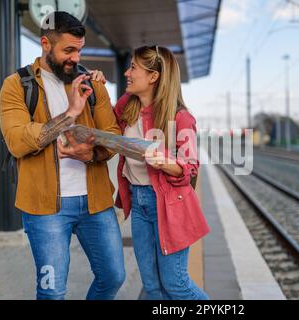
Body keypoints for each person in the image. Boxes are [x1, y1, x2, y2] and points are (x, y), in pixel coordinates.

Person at [0, 12, 125, 300]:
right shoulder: (16, 86)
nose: (75, 57)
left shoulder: (93, 85)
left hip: (95, 203)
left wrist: (89, 155)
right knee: (52, 291)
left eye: (79, 49)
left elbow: (112, 136)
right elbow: (18, 141)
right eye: (68, 50)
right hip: (45, 209)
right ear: (45, 44)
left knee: (113, 277)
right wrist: (70, 114)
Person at [114, 45, 210, 300]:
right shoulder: (127, 107)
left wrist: (163, 160)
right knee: (152, 286)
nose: (127, 73)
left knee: (176, 284)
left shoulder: (181, 117)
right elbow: (103, 123)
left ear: (154, 76)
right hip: (140, 203)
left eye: (133, 67)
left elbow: (190, 167)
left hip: (169, 206)